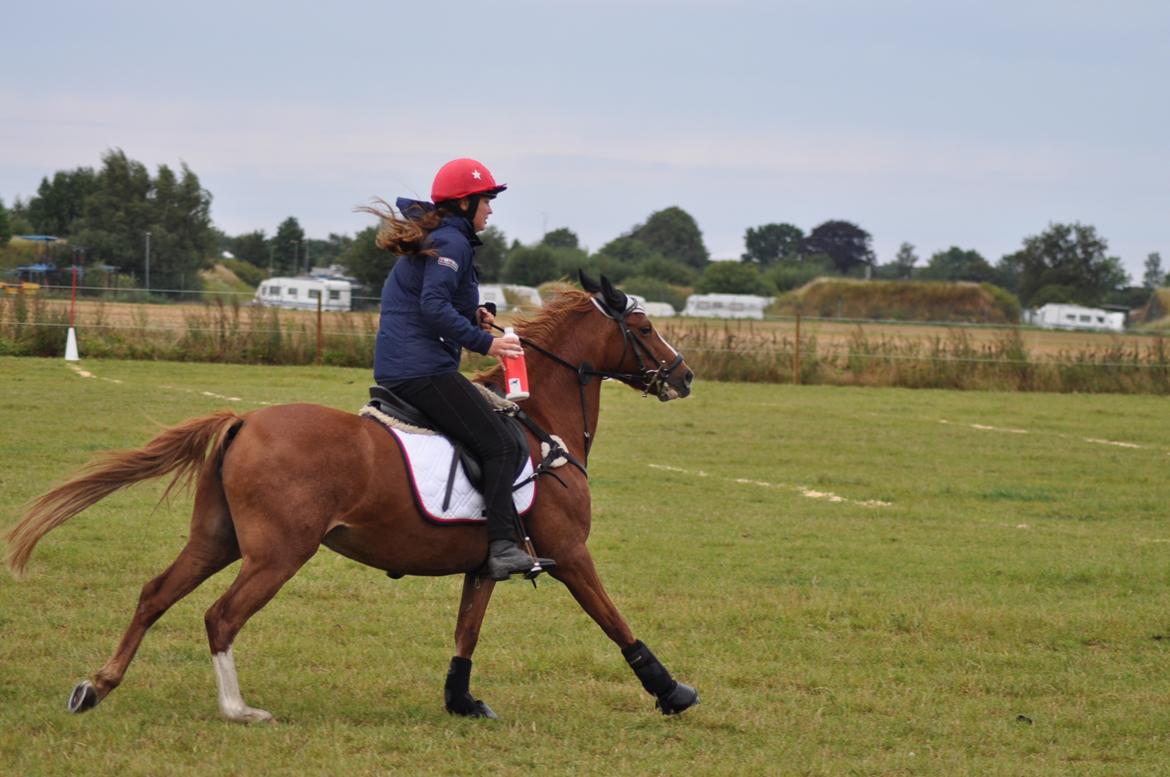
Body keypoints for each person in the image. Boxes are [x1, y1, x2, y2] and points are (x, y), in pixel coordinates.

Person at [365, 158, 554, 580]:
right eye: (487, 200)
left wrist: (475, 314)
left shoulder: (446, 239)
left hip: (408, 366)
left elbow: (437, 301)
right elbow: (432, 307)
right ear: (466, 203)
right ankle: (503, 546)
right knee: (503, 444)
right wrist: (488, 343)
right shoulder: (454, 244)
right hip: (421, 370)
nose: (491, 209)